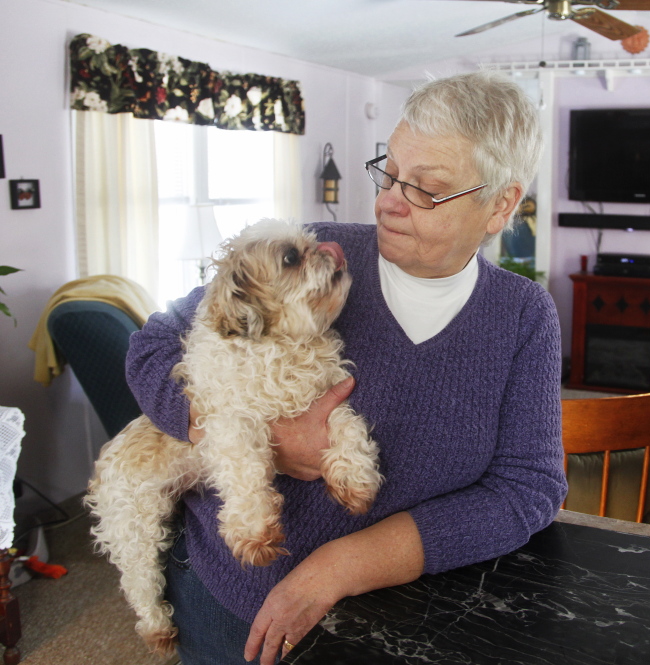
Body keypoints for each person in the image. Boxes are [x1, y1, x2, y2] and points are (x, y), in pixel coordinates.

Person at [125, 70, 567, 665]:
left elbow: (527, 490)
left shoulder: (522, 316)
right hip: (235, 600)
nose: (387, 200)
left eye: (426, 188)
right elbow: (152, 346)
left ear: (501, 204)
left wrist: (337, 568)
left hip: (408, 615)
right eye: (389, 170)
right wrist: (250, 437)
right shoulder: (310, 255)